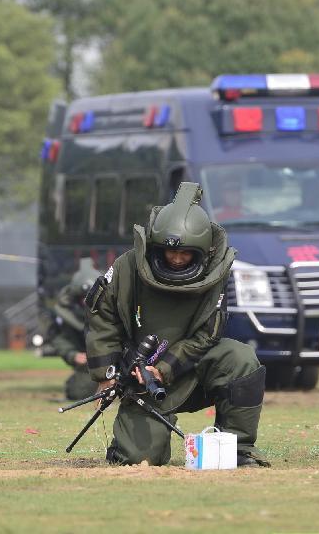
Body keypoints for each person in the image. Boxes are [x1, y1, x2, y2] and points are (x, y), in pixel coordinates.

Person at [85, 182, 268, 467]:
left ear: (204, 252)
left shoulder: (216, 274)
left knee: (240, 357)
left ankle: (238, 446)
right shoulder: (126, 268)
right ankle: (125, 444)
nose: (177, 259)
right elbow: (102, 321)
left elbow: (208, 333)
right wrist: (106, 374)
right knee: (138, 458)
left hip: (192, 369)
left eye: (187, 254)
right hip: (141, 381)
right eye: (171, 252)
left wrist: (165, 367)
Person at [46, 258, 101, 400]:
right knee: (77, 392)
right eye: (83, 298)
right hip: (91, 363)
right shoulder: (65, 314)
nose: (86, 302)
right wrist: (72, 354)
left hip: (121, 358)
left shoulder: (117, 305)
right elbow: (57, 337)